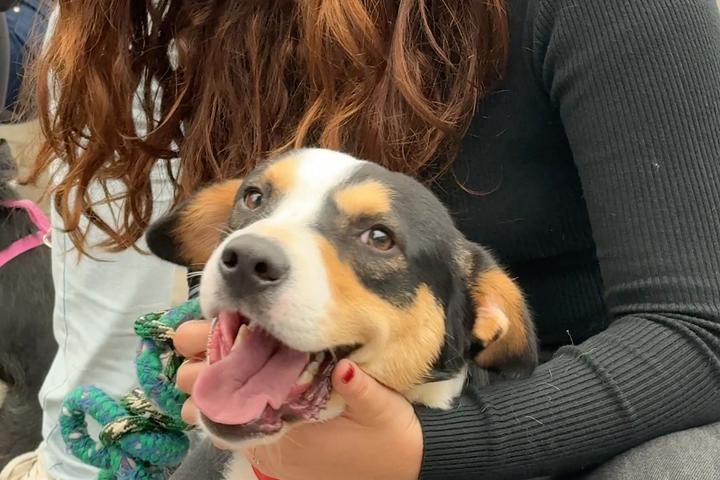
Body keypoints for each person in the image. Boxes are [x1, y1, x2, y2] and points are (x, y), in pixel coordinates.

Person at [2, 0, 719, 479]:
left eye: (376, 234)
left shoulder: (614, 14)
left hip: (588, 404)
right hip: (310, 391)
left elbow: (701, 330)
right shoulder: (222, 25)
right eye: (253, 204)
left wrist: (416, 448)